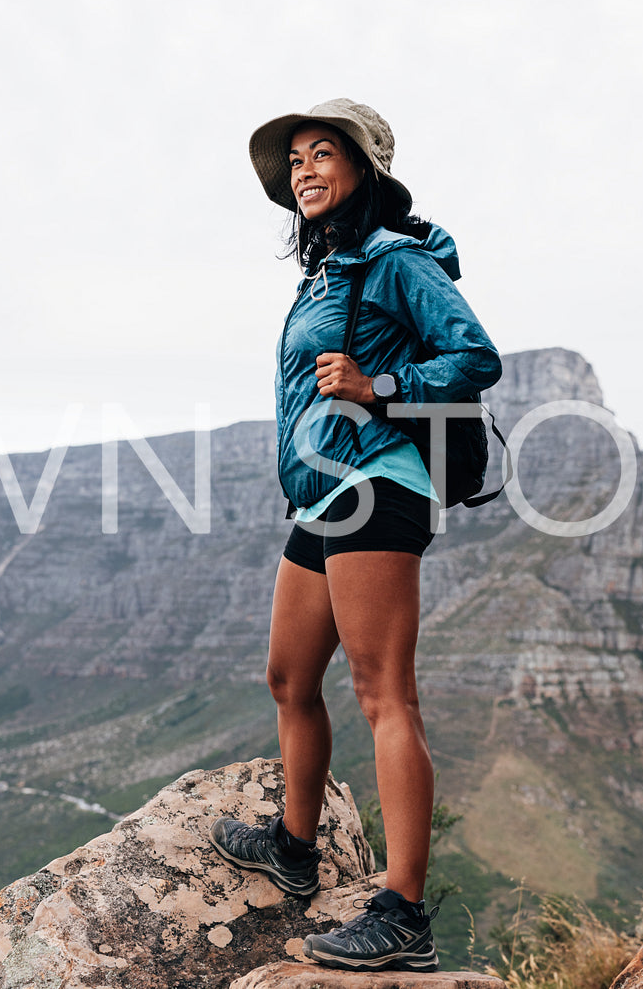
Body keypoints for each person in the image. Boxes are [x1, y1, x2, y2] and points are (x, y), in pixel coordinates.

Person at [207, 99, 501, 972]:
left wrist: (380, 384)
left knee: (382, 693)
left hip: (379, 483)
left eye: (321, 153)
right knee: (288, 676)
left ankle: (403, 913)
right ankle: (295, 848)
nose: (301, 169)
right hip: (324, 493)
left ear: (363, 168)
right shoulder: (326, 274)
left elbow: (474, 355)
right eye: (292, 159)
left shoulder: (396, 262)